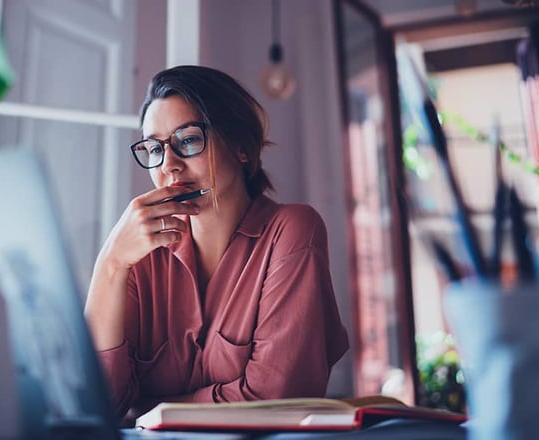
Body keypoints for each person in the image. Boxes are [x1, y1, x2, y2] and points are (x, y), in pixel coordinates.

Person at [84, 65, 349, 419]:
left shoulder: (292, 230)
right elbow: (97, 405)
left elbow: (276, 397)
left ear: (240, 146)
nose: (169, 167)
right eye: (154, 148)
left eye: (188, 140)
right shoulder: (138, 255)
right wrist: (111, 264)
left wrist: (150, 409)